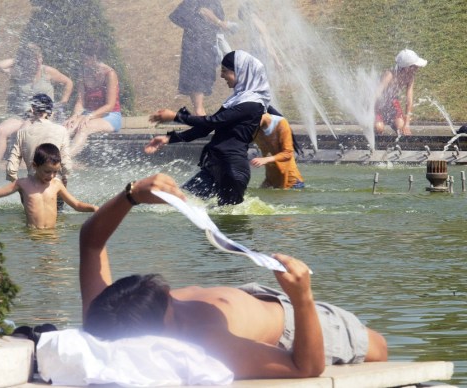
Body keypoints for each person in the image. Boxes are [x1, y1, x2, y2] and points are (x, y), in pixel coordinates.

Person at [79, 173, 388, 380]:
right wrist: (302, 297)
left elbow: (91, 241)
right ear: (161, 330)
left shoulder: (105, 312)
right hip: (290, 323)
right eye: (167, 301)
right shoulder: (207, 344)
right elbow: (305, 367)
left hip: (255, 295)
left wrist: (132, 195)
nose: (171, 293)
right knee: (378, 347)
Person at [146, 50, 270, 206]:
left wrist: (176, 117)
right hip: (214, 166)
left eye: (225, 71)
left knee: (230, 221)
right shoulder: (236, 100)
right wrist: (169, 138)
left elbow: (213, 121)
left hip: (232, 170)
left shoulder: (252, 104)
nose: (221, 76)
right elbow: (204, 129)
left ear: (241, 72)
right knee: (180, 202)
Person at [0, 143, 98, 229]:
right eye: (47, 171)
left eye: (55, 171)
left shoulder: (56, 184)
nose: (52, 175)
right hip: (32, 235)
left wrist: (94, 208)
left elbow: (76, 205)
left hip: (52, 235)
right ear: (35, 166)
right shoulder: (23, 184)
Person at [0, 43, 73, 162]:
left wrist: (64, 100)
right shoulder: (20, 72)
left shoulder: (47, 71)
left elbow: (68, 82)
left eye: (39, 58)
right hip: (22, 115)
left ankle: (24, 163)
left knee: (25, 128)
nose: (37, 62)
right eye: (33, 59)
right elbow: (0, 65)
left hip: (44, 113)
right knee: (1, 129)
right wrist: (19, 58)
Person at [169, 0, 227, 116]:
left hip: (207, 43)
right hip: (194, 45)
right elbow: (176, 16)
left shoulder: (214, 2)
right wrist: (196, 25)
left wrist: (215, 20)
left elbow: (220, 20)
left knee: (203, 76)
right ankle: (199, 111)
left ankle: (199, 110)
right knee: (197, 76)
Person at [64, 43, 122, 157]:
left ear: (94, 57)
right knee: (67, 127)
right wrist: (75, 116)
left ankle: (63, 161)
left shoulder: (109, 74)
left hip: (110, 115)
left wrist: (90, 116)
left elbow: (109, 106)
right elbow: (80, 102)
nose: (82, 61)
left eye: (85, 58)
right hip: (88, 114)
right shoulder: (83, 73)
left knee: (84, 127)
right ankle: (50, 158)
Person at [6, 93, 71, 185]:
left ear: (32, 110)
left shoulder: (23, 132)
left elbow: (11, 169)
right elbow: (66, 165)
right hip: (55, 183)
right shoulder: (62, 130)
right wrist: (63, 180)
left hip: (33, 185)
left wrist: (21, 188)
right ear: (51, 111)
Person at [374, 49, 427, 136]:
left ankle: (397, 145)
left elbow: (409, 101)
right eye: (415, 66)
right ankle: (374, 143)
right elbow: (376, 95)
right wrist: (373, 113)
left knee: (401, 126)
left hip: (392, 102)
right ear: (407, 68)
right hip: (378, 103)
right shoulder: (390, 75)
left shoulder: (410, 77)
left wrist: (407, 124)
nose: (418, 68)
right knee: (379, 128)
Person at [251, 113, 305, 189]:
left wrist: (266, 159)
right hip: (270, 181)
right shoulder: (253, 128)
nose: (249, 125)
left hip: (291, 182)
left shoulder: (281, 123)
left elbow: (288, 153)